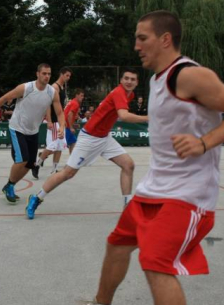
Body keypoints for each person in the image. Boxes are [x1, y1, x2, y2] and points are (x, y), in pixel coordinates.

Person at [62, 10, 224, 305]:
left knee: (155, 264)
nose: (136, 46)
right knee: (116, 244)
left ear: (165, 39)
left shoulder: (189, 74)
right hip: (154, 188)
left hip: (188, 195)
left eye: (142, 38)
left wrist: (204, 142)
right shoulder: (156, 80)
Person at [26, 68, 147, 220]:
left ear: (137, 82)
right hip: (89, 138)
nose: (129, 81)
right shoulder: (119, 93)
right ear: (121, 81)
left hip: (104, 138)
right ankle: (36, 198)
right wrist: (150, 118)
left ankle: (127, 207)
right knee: (67, 173)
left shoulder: (131, 95)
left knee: (128, 165)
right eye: (126, 78)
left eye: (133, 79)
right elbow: (123, 115)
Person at [0, 63, 65, 203]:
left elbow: (60, 112)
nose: (46, 76)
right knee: (22, 160)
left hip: (33, 131)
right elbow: (4, 98)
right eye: (44, 73)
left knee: (30, 164)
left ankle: (10, 185)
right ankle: (9, 185)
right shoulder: (26, 88)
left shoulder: (52, 92)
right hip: (17, 128)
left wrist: (62, 127)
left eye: (49, 74)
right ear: (37, 74)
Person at [32, 67, 72, 178]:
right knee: (52, 146)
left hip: (59, 121)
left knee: (60, 147)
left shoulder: (62, 87)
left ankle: (54, 170)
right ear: (61, 74)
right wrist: (49, 120)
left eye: (69, 76)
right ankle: (37, 164)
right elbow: (47, 105)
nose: (68, 78)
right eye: (67, 75)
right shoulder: (54, 87)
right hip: (54, 121)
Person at [63, 89, 85, 154]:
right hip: (66, 127)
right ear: (76, 95)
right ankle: (44, 154)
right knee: (60, 146)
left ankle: (71, 160)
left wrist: (73, 125)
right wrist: (71, 127)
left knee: (73, 142)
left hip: (65, 125)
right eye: (81, 96)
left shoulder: (72, 102)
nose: (82, 97)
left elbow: (67, 114)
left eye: (83, 96)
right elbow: (69, 114)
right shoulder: (75, 104)